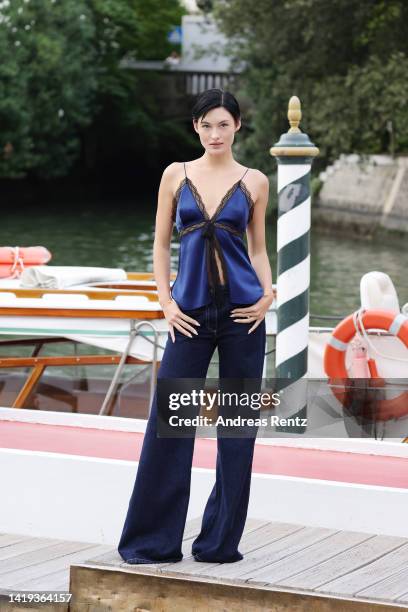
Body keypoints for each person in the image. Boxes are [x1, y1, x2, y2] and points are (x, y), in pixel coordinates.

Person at [118, 88, 275, 565]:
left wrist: (268, 295)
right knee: (169, 426)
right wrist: (164, 302)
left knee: (236, 430)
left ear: (238, 127)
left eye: (223, 124)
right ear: (196, 128)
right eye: (206, 125)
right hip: (186, 317)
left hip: (242, 317)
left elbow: (258, 249)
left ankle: (218, 543)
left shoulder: (255, 181)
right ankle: (153, 542)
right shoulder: (175, 175)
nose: (215, 134)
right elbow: (161, 245)